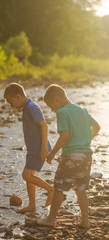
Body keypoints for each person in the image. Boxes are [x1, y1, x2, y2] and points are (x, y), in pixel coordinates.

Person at [37, 84, 100, 229]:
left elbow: (64, 135)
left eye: (51, 105)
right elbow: (97, 127)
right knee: (81, 188)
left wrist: (53, 153)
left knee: (59, 187)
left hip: (72, 155)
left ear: (57, 99)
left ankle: (51, 219)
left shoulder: (62, 112)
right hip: (86, 155)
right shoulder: (82, 111)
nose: (52, 110)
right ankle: (85, 221)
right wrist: (85, 141)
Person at [3, 82, 54, 213]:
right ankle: (32, 205)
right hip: (33, 149)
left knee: (26, 175)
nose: (11, 106)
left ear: (18, 97)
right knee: (30, 176)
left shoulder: (31, 107)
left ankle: (50, 190)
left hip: (38, 149)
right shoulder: (27, 108)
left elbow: (44, 125)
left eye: (11, 102)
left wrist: (43, 147)